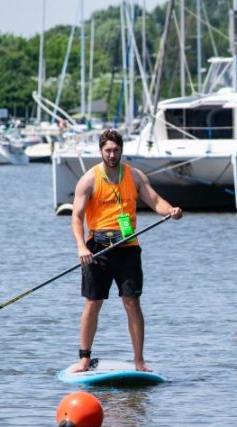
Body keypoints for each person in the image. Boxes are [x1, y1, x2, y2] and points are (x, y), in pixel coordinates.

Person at [71, 129, 183, 372]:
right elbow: (77, 218)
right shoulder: (89, 179)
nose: (112, 154)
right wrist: (81, 246)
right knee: (93, 303)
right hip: (97, 249)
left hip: (128, 247)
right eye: (108, 150)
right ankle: (84, 359)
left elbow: (155, 201)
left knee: (132, 302)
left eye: (116, 150)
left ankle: (139, 361)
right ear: (100, 151)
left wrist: (171, 210)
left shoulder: (134, 176)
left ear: (122, 150)